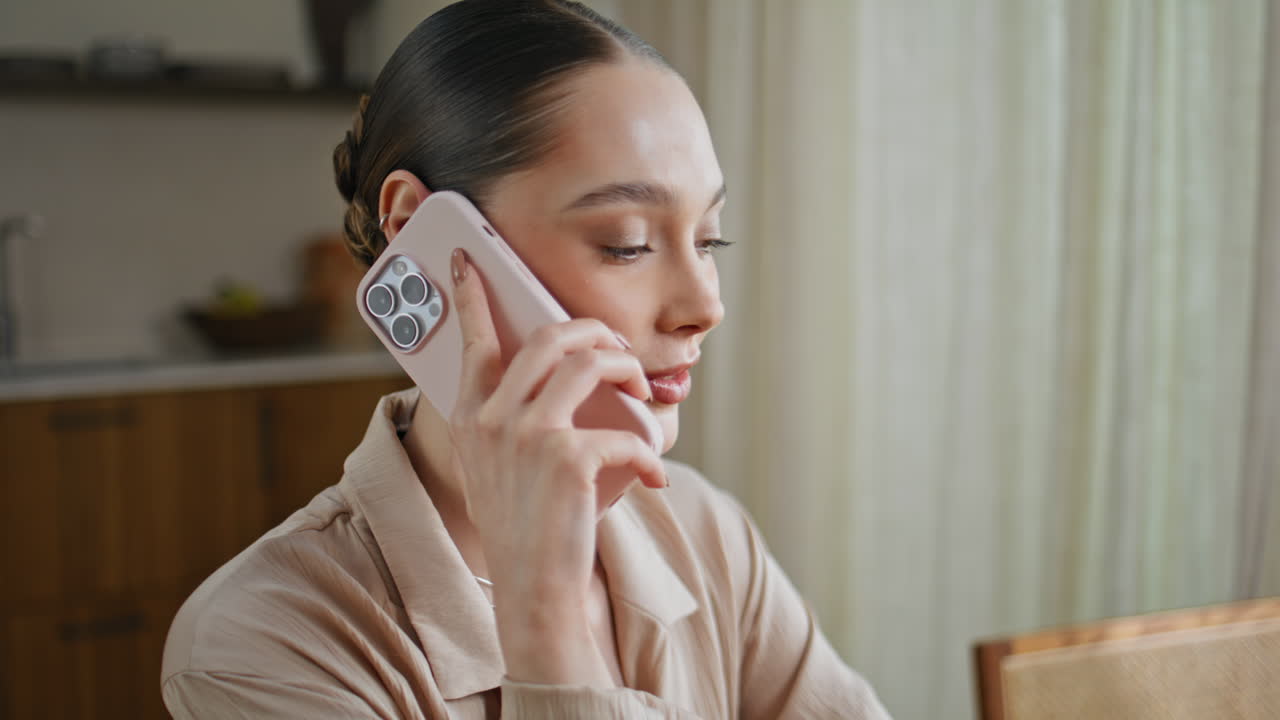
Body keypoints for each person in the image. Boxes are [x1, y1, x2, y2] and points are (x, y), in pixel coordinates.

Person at [161, 1, 891, 717]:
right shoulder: (259, 645)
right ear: (421, 233)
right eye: (626, 243)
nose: (704, 305)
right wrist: (544, 615)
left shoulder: (704, 532)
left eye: (708, 241)